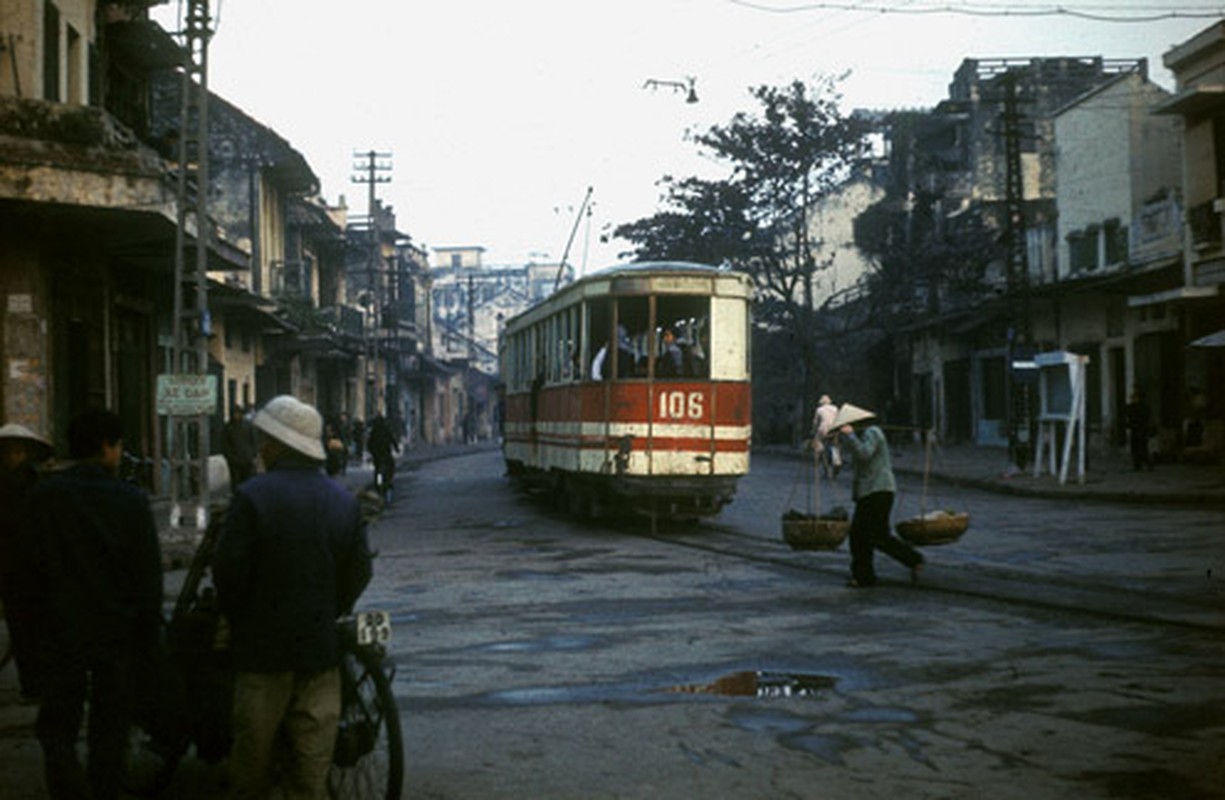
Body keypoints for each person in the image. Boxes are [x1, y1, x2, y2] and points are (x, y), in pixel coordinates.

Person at [214, 395, 372, 800]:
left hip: (261, 654)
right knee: (310, 772)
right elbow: (359, 573)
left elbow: (229, 572)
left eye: (264, 439)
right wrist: (327, 609)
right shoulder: (343, 502)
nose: (260, 448)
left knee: (252, 769)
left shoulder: (252, 496)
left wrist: (242, 618)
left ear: (275, 445)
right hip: (320, 654)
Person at [24, 408, 163, 800]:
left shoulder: (44, 496)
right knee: (110, 726)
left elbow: (26, 573)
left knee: (57, 726)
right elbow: (148, 579)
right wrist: (148, 637)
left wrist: (30, 637)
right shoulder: (131, 501)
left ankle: (69, 790)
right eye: (118, 446)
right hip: (116, 632)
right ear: (107, 447)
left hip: (59, 631)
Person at [831, 402, 923, 588]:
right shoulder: (865, 434)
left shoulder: (873, 432)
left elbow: (865, 454)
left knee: (874, 535)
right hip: (870, 492)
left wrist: (850, 436)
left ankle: (912, 559)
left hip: (878, 491)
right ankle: (866, 575)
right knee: (862, 536)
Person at [0, 423, 53, 700]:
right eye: (7, 452)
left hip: (33, 566)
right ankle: (32, 683)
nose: (12, 457)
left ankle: (37, 683)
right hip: (12, 567)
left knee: (32, 628)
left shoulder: (37, 485)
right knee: (23, 628)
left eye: (17, 451)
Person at [221, 405, 258, 493]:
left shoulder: (248, 426)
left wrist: (253, 455)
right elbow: (225, 445)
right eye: (235, 414)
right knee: (236, 482)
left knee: (248, 480)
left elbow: (253, 441)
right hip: (235, 461)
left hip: (247, 459)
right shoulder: (228, 428)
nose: (237, 416)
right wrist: (231, 457)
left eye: (239, 413)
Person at [367, 413, 400, 502]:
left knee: (377, 469)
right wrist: (396, 449)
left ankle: (378, 484)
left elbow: (369, 444)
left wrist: (371, 452)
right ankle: (387, 482)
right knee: (390, 468)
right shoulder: (385, 430)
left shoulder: (374, 432)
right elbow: (392, 440)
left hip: (377, 456)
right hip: (385, 454)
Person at [811, 394, 841, 479]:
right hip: (834, 430)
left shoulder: (819, 410)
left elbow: (815, 422)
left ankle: (821, 462)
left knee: (821, 447)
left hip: (823, 430)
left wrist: (813, 431)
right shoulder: (835, 408)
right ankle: (837, 462)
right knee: (835, 447)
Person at [1125, 390, 1154, 471]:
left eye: (1134, 398)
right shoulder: (1134, 407)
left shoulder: (1142, 408)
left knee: (1142, 448)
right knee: (1136, 448)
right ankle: (1138, 464)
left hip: (1141, 430)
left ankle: (1145, 463)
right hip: (1137, 430)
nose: (1133, 399)